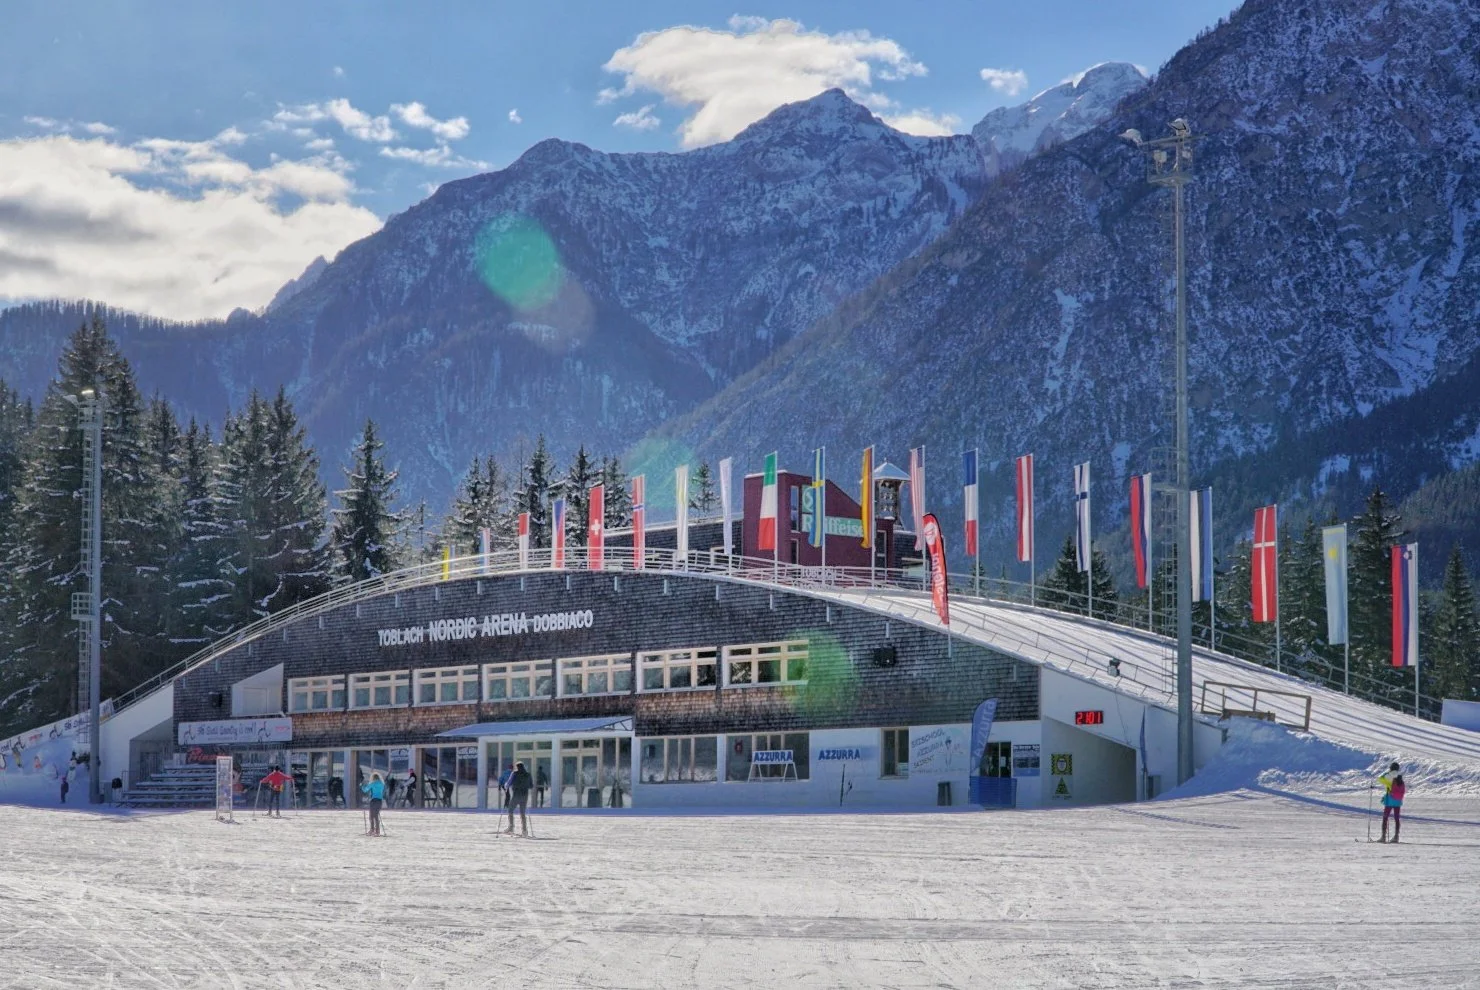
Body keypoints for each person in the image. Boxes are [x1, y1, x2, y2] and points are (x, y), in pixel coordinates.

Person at [1377, 761, 1406, 843]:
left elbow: (1380, 779)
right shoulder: (1400, 777)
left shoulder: (1388, 776)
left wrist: (1387, 773)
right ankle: (1396, 837)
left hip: (1390, 799)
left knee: (1385, 817)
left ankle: (1383, 837)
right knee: (1397, 818)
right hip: (1398, 801)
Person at [505, 761, 533, 836]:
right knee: (522, 813)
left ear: (517, 767)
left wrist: (506, 786)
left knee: (510, 809)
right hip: (524, 796)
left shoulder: (514, 773)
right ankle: (524, 830)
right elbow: (531, 786)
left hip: (516, 795)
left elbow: (508, 783)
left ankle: (511, 826)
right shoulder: (528, 775)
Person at [361, 771, 386, 836]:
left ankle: (372, 830)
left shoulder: (372, 783)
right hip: (379, 800)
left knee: (371, 816)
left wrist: (361, 786)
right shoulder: (382, 784)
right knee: (376, 816)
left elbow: (365, 790)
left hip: (373, 800)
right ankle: (377, 831)